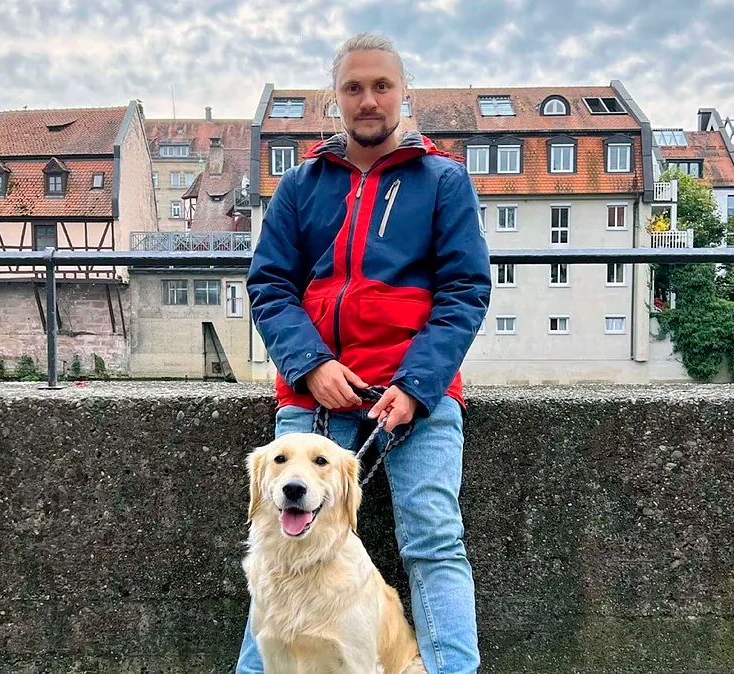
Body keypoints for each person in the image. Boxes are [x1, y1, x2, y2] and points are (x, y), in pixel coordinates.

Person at [238, 31, 492, 674]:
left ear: (404, 94)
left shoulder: (444, 181)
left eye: (382, 86)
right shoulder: (300, 185)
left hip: (417, 396)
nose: (369, 100)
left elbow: (464, 290)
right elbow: (271, 285)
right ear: (336, 99)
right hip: (315, 395)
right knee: (276, 545)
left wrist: (417, 384)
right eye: (354, 87)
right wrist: (311, 365)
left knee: (434, 543)